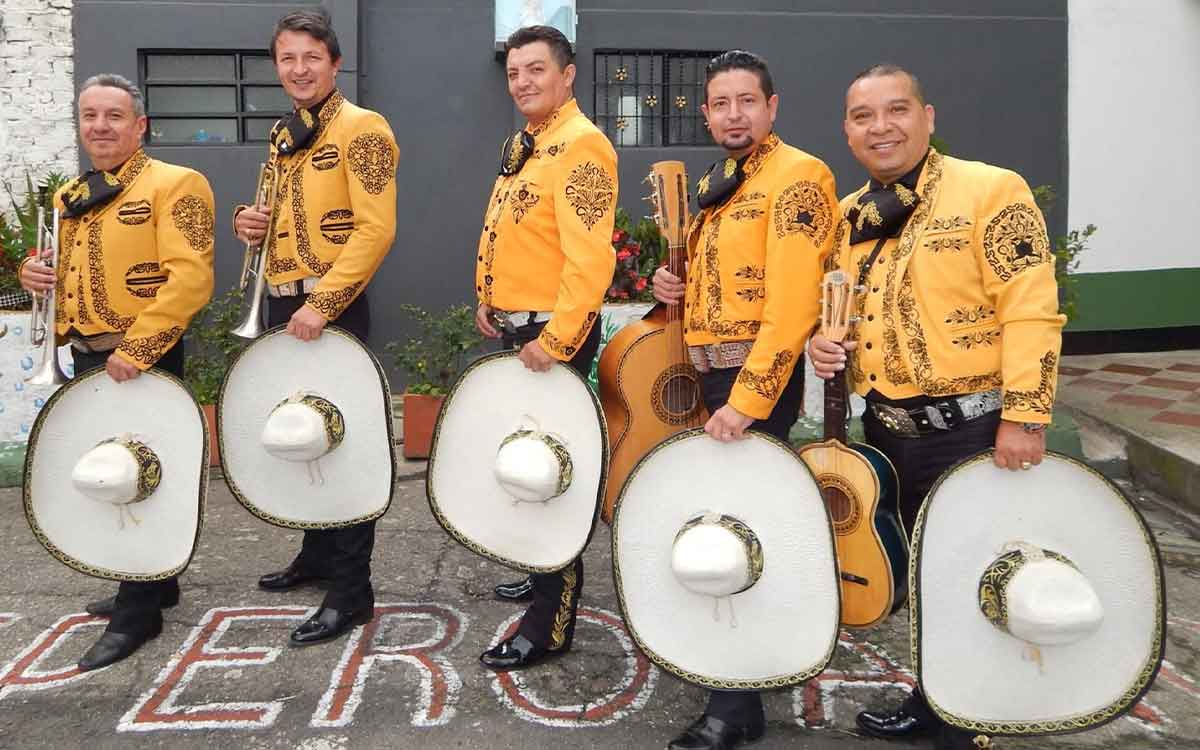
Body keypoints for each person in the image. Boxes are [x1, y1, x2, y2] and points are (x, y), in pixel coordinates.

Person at [808, 63, 1065, 750]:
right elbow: (841, 311)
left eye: (897, 110)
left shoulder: (990, 190)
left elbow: (1033, 311)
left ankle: (970, 725)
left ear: (929, 117)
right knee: (924, 577)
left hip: (973, 426)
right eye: (864, 116)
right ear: (847, 130)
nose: (881, 126)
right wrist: (824, 347)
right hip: (886, 430)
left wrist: (1026, 417)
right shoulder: (850, 215)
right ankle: (937, 700)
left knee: (976, 574)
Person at [652, 50, 838, 750]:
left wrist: (751, 401)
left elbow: (792, 304)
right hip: (713, 380)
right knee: (730, 525)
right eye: (721, 103)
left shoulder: (798, 177)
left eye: (747, 101)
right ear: (705, 112)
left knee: (737, 532)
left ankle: (736, 706)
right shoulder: (719, 182)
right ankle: (742, 678)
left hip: (754, 385)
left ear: (773, 106)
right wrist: (675, 288)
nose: (734, 114)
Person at [18, 73, 215, 670]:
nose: (100, 127)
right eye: (89, 116)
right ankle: (157, 582)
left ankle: (139, 613)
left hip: (140, 359)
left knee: (134, 477)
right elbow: (66, 275)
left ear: (140, 125)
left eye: (113, 116)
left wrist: (140, 347)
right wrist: (34, 275)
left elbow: (191, 278)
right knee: (112, 469)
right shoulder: (71, 196)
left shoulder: (175, 184)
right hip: (86, 354)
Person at [233, 7, 398, 646]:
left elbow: (376, 228)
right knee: (299, 431)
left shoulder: (364, 128)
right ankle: (316, 553)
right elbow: (277, 219)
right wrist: (252, 224)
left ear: (334, 62)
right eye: (287, 58)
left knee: (345, 441)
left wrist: (324, 302)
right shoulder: (284, 133)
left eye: (311, 57)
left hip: (329, 308)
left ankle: (351, 590)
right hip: (280, 303)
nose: (298, 69)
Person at [472, 25, 617, 671]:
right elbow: (518, 232)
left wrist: (556, 340)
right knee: (523, 462)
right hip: (519, 329)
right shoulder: (530, 142)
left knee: (549, 473)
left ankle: (549, 621)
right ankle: (537, 572)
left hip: (549, 337)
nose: (523, 82)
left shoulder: (582, 145)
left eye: (537, 69)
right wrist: (490, 295)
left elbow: (591, 262)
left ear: (568, 75)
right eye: (514, 73)